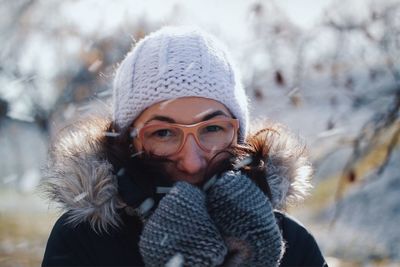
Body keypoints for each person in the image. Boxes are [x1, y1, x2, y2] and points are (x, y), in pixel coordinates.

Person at [41, 26, 327, 267]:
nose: (192, 161)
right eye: (164, 133)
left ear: (238, 134)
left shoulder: (290, 243)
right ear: (129, 139)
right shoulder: (85, 240)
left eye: (212, 129)